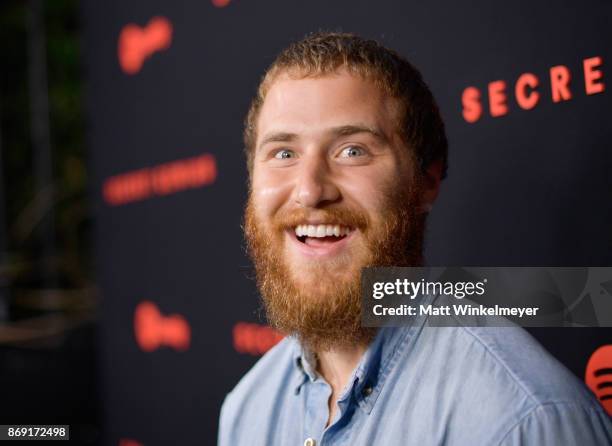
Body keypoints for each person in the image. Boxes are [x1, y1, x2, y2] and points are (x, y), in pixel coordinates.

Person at [218, 32, 612, 445]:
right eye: (283, 153)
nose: (310, 190)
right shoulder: (247, 410)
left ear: (425, 182)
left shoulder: (524, 420)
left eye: (352, 150)